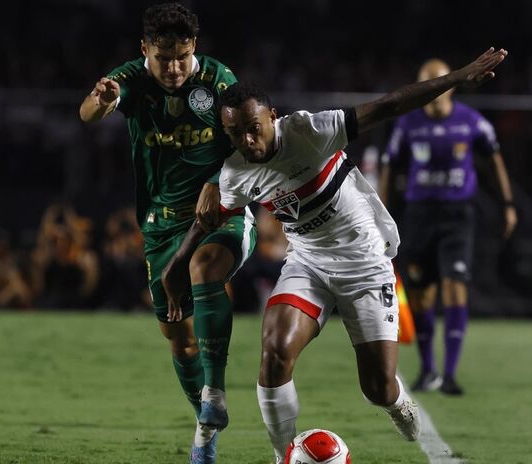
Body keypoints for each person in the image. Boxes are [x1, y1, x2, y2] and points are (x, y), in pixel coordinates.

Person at [163, 47, 508, 462]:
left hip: (365, 263)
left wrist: (459, 77)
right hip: (307, 264)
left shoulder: (310, 131)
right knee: (273, 354)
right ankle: (282, 457)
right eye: (236, 134)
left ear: (272, 116)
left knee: (377, 388)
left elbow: (390, 104)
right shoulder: (236, 172)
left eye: (253, 128)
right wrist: (176, 267)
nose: (247, 141)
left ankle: (398, 401)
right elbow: (207, 220)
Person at [78, 4, 257, 462]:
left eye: (181, 56)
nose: (174, 68)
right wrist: (101, 99)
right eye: (163, 58)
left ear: (193, 47)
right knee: (178, 338)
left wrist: (218, 182)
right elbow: (88, 114)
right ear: (145, 51)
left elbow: (246, 140)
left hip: (220, 210)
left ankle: (214, 390)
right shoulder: (131, 80)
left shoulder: (218, 82)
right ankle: (206, 431)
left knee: (204, 267)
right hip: (161, 224)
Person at [379, 58, 517, 395]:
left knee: (455, 287)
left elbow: (494, 159)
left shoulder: (471, 123)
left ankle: (451, 373)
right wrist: (380, 212)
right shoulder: (407, 124)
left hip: (457, 215)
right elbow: (390, 168)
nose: (431, 92)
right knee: (422, 296)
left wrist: (508, 204)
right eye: (425, 84)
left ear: (450, 86)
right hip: (419, 215)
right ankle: (428, 370)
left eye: (436, 84)